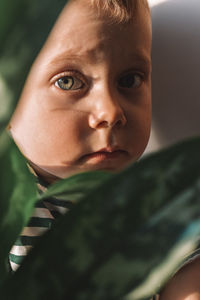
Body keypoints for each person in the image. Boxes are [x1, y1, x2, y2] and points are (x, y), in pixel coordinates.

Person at [8, 0, 152, 282]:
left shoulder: (153, 194)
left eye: (130, 80)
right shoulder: (10, 204)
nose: (111, 112)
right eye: (68, 82)